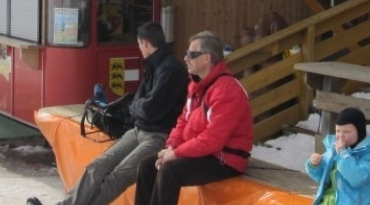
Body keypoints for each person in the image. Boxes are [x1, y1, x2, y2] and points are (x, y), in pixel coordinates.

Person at [27, 22, 189, 205]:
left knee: (117, 176)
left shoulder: (171, 70)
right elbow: (138, 102)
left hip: (158, 136)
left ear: (144, 43)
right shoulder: (154, 65)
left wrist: (136, 107)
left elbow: (148, 109)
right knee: (96, 167)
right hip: (138, 130)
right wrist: (137, 107)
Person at [133, 31, 252, 205]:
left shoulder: (227, 90)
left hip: (225, 159)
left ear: (206, 58)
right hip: (205, 152)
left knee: (169, 171)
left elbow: (213, 140)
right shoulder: (197, 86)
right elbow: (182, 122)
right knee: (146, 167)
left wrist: (176, 153)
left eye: (191, 54)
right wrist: (172, 146)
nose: (185, 58)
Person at [305, 107, 370, 205]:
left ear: (359, 132)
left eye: (346, 132)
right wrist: (315, 164)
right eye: (338, 131)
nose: (341, 136)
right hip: (329, 201)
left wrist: (343, 154)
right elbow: (323, 176)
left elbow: (357, 179)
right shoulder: (334, 149)